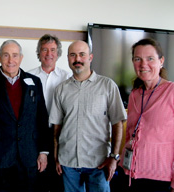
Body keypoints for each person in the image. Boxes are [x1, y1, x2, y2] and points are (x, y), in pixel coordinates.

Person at [0, 40, 50, 192]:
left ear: (21, 58)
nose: (10, 60)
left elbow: (42, 119)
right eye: (6, 55)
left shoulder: (34, 82)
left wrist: (43, 152)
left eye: (15, 55)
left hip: (29, 157)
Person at [49, 40, 127, 192]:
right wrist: (57, 158)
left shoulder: (108, 86)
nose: (77, 59)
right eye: (73, 55)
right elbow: (57, 127)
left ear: (90, 57)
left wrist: (114, 157)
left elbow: (117, 122)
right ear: (68, 58)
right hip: (68, 162)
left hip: (99, 163)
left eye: (82, 55)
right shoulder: (61, 90)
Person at [118, 38, 174, 192]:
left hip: (159, 178)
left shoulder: (171, 92)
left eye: (150, 59)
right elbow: (130, 133)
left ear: (161, 61)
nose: (143, 64)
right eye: (138, 59)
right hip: (129, 174)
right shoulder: (134, 94)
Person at [28, 34, 71, 192]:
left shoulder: (67, 77)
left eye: (52, 50)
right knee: (37, 176)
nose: (48, 54)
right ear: (38, 53)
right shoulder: (28, 76)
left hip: (59, 132)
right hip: (35, 133)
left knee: (58, 178)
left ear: (58, 53)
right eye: (44, 50)